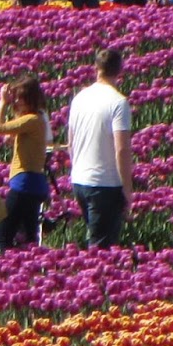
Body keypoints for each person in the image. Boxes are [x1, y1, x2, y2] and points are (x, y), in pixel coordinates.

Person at [66, 46, 134, 248]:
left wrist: (77, 169)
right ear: (120, 70)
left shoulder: (80, 98)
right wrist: (128, 190)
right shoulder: (118, 103)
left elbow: (71, 142)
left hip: (80, 180)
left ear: (96, 68)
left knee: (96, 239)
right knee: (101, 249)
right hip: (105, 184)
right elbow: (121, 149)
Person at [0, 75, 51, 250]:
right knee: (29, 238)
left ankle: (4, 267)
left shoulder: (32, 120)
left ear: (28, 99)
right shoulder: (37, 119)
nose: (14, 101)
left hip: (24, 184)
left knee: (2, 235)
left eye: (18, 98)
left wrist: (2, 102)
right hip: (34, 184)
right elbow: (11, 136)